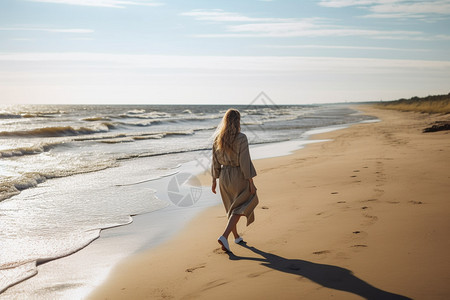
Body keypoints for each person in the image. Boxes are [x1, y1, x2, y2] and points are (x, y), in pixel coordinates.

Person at [211, 108, 259, 252]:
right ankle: (224, 236)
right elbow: (244, 161)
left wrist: (214, 180)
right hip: (238, 175)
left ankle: (236, 237)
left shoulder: (217, 139)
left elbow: (214, 162)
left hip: (224, 178)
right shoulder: (241, 138)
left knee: (231, 207)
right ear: (237, 121)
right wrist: (250, 181)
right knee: (242, 204)